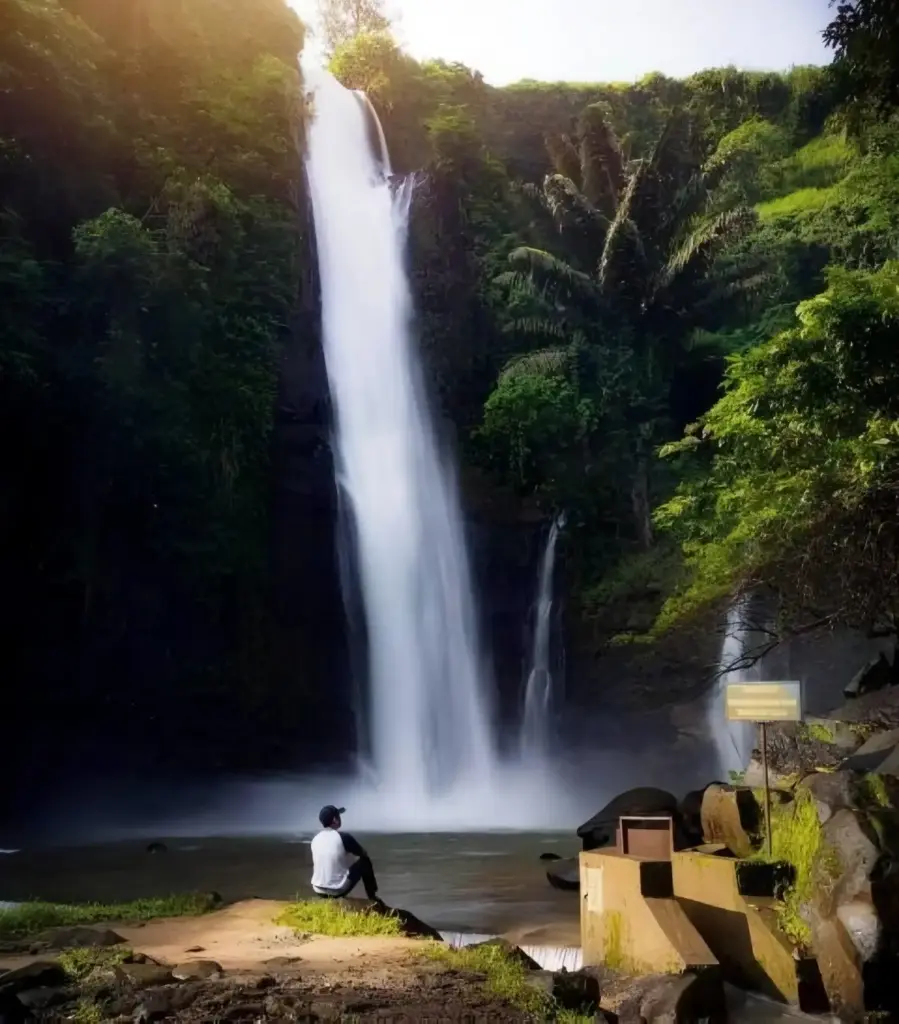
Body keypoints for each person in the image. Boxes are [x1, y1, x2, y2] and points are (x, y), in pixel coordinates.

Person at [310, 804, 381, 901]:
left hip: (318, 889)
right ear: (335, 820)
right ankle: (372, 897)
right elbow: (363, 853)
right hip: (337, 890)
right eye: (338, 816)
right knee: (365, 862)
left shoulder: (315, 839)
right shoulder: (343, 837)